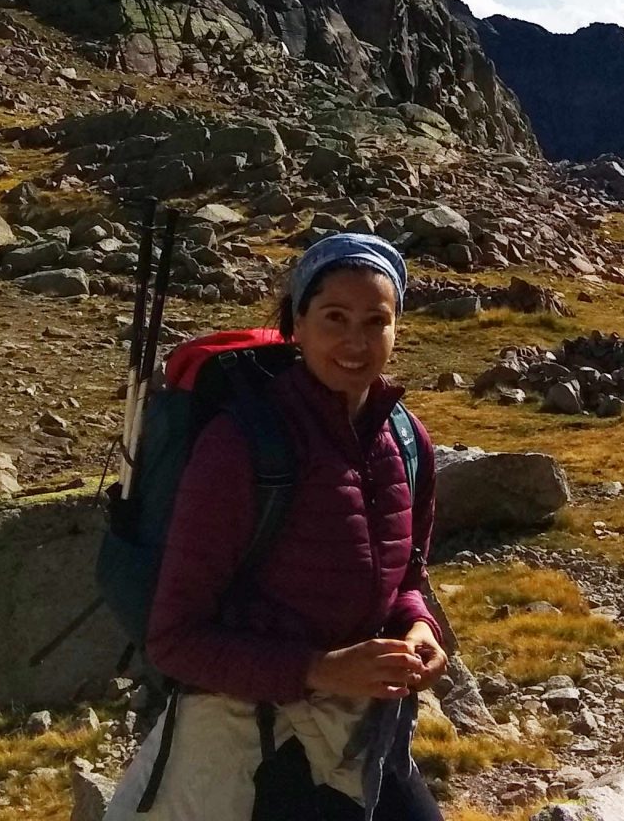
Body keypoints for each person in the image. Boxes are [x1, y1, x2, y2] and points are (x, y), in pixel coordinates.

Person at [120, 232, 451, 820]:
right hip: (257, 737)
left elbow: (405, 580)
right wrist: (322, 670)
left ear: (398, 329)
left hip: (359, 730)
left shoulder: (405, 439)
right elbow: (173, 641)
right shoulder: (243, 447)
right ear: (295, 326)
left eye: (376, 320)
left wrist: (419, 630)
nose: (356, 341)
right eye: (334, 317)